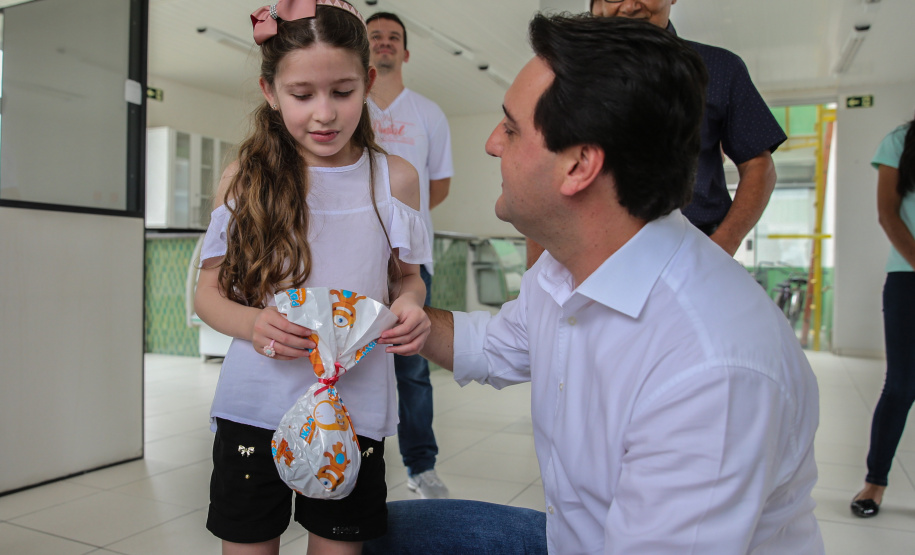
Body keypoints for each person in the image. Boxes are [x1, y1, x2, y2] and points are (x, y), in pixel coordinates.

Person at [367, 13, 824, 554]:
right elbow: (489, 345)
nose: (492, 144)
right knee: (364, 532)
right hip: (578, 540)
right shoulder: (570, 267)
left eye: (511, 128)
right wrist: (374, 303)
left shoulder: (709, 370)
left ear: (580, 165)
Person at [193, 1, 432, 553]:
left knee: (338, 544)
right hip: (256, 404)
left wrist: (412, 306)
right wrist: (254, 323)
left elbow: (408, 281)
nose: (324, 113)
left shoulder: (394, 179)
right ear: (270, 92)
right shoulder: (243, 179)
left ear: (368, 82)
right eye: (302, 96)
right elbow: (208, 293)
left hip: (353, 409)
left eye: (342, 92)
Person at [526, 0, 786, 267]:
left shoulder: (719, 69)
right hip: (587, 259)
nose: (629, 7)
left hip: (692, 255)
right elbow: (538, 170)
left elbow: (759, 165)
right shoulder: (561, 72)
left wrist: (721, 247)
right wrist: (536, 278)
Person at [365, 11, 454, 499]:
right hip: (355, 260)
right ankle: (347, 459)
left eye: (393, 37)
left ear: (405, 51)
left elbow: (436, 185)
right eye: (375, 36)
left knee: (412, 369)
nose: (384, 43)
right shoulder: (349, 103)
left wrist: (404, 227)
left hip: (411, 266)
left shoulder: (428, 113)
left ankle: (421, 468)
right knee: (350, 365)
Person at [850, 115, 915, 519]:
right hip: (909, 278)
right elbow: (888, 213)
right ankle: (875, 483)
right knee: (902, 386)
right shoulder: (901, 141)